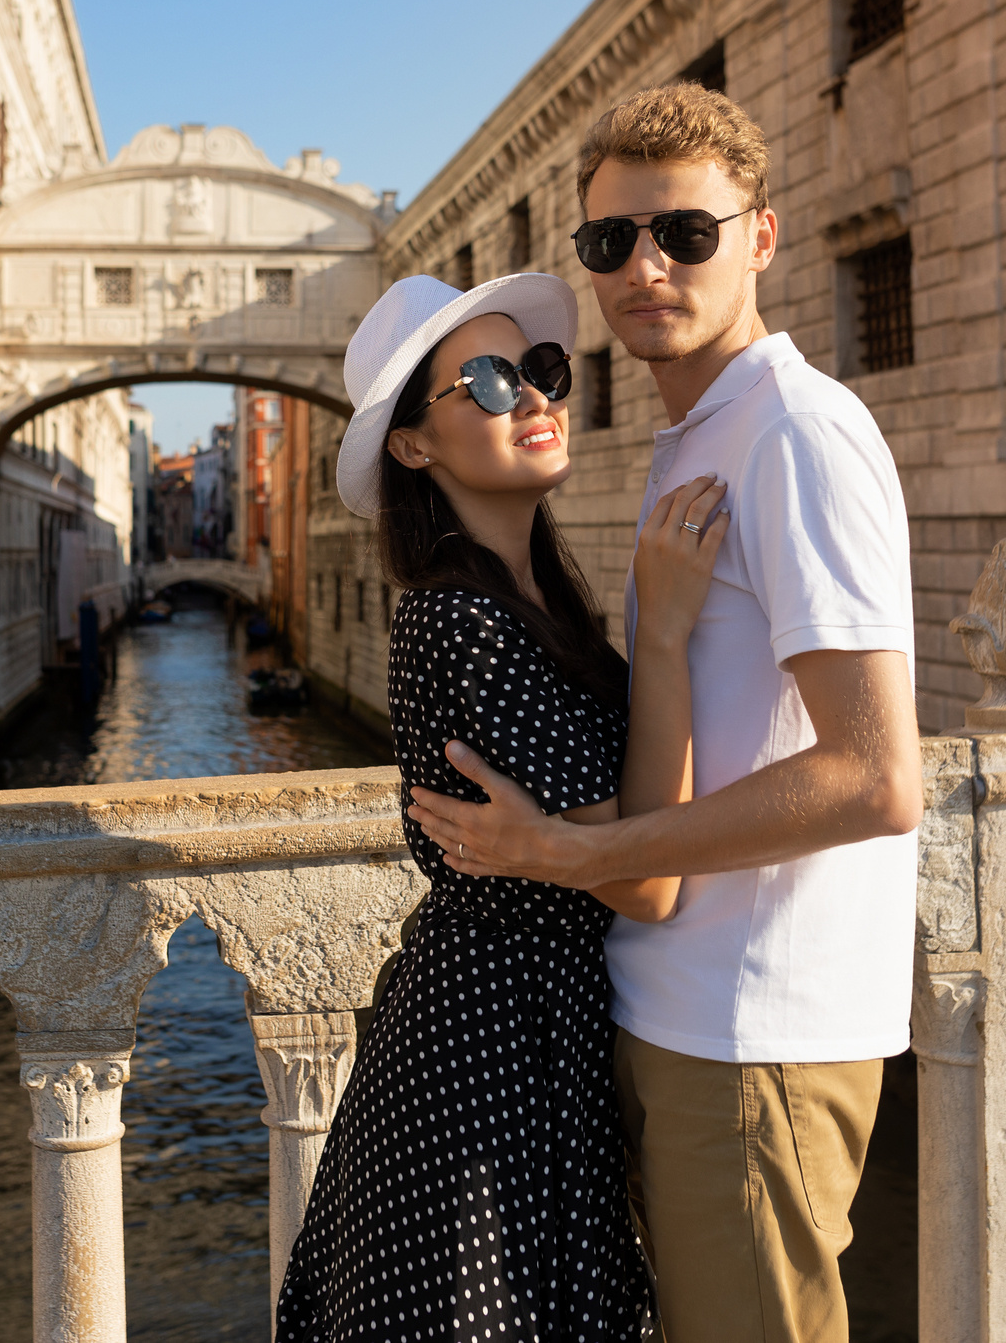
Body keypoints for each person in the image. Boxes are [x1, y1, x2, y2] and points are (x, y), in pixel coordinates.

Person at [408, 82, 924, 1343]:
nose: (645, 267)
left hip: (754, 1031)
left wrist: (577, 853)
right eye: (610, 244)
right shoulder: (692, 438)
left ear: (758, 236)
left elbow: (874, 777)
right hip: (676, 1016)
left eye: (683, 234)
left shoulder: (798, 433)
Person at [275, 268, 733, 1342]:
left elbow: (620, 836)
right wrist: (662, 638)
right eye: (482, 381)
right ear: (412, 446)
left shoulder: (537, 607)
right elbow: (646, 880)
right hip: (484, 1057)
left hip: (531, 1039)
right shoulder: (460, 623)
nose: (529, 397)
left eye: (536, 371)